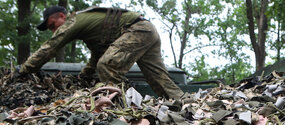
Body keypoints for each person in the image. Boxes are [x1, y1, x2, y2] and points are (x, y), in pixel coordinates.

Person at [19, 6, 184, 99]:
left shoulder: (74, 21)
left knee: (107, 65)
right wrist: (84, 75)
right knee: (159, 78)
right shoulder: (91, 31)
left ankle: (123, 106)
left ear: (62, 16)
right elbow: (97, 55)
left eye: (53, 25)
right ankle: (185, 103)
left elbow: (51, 47)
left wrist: (24, 69)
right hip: (146, 30)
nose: (53, 30)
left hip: (136, 29)